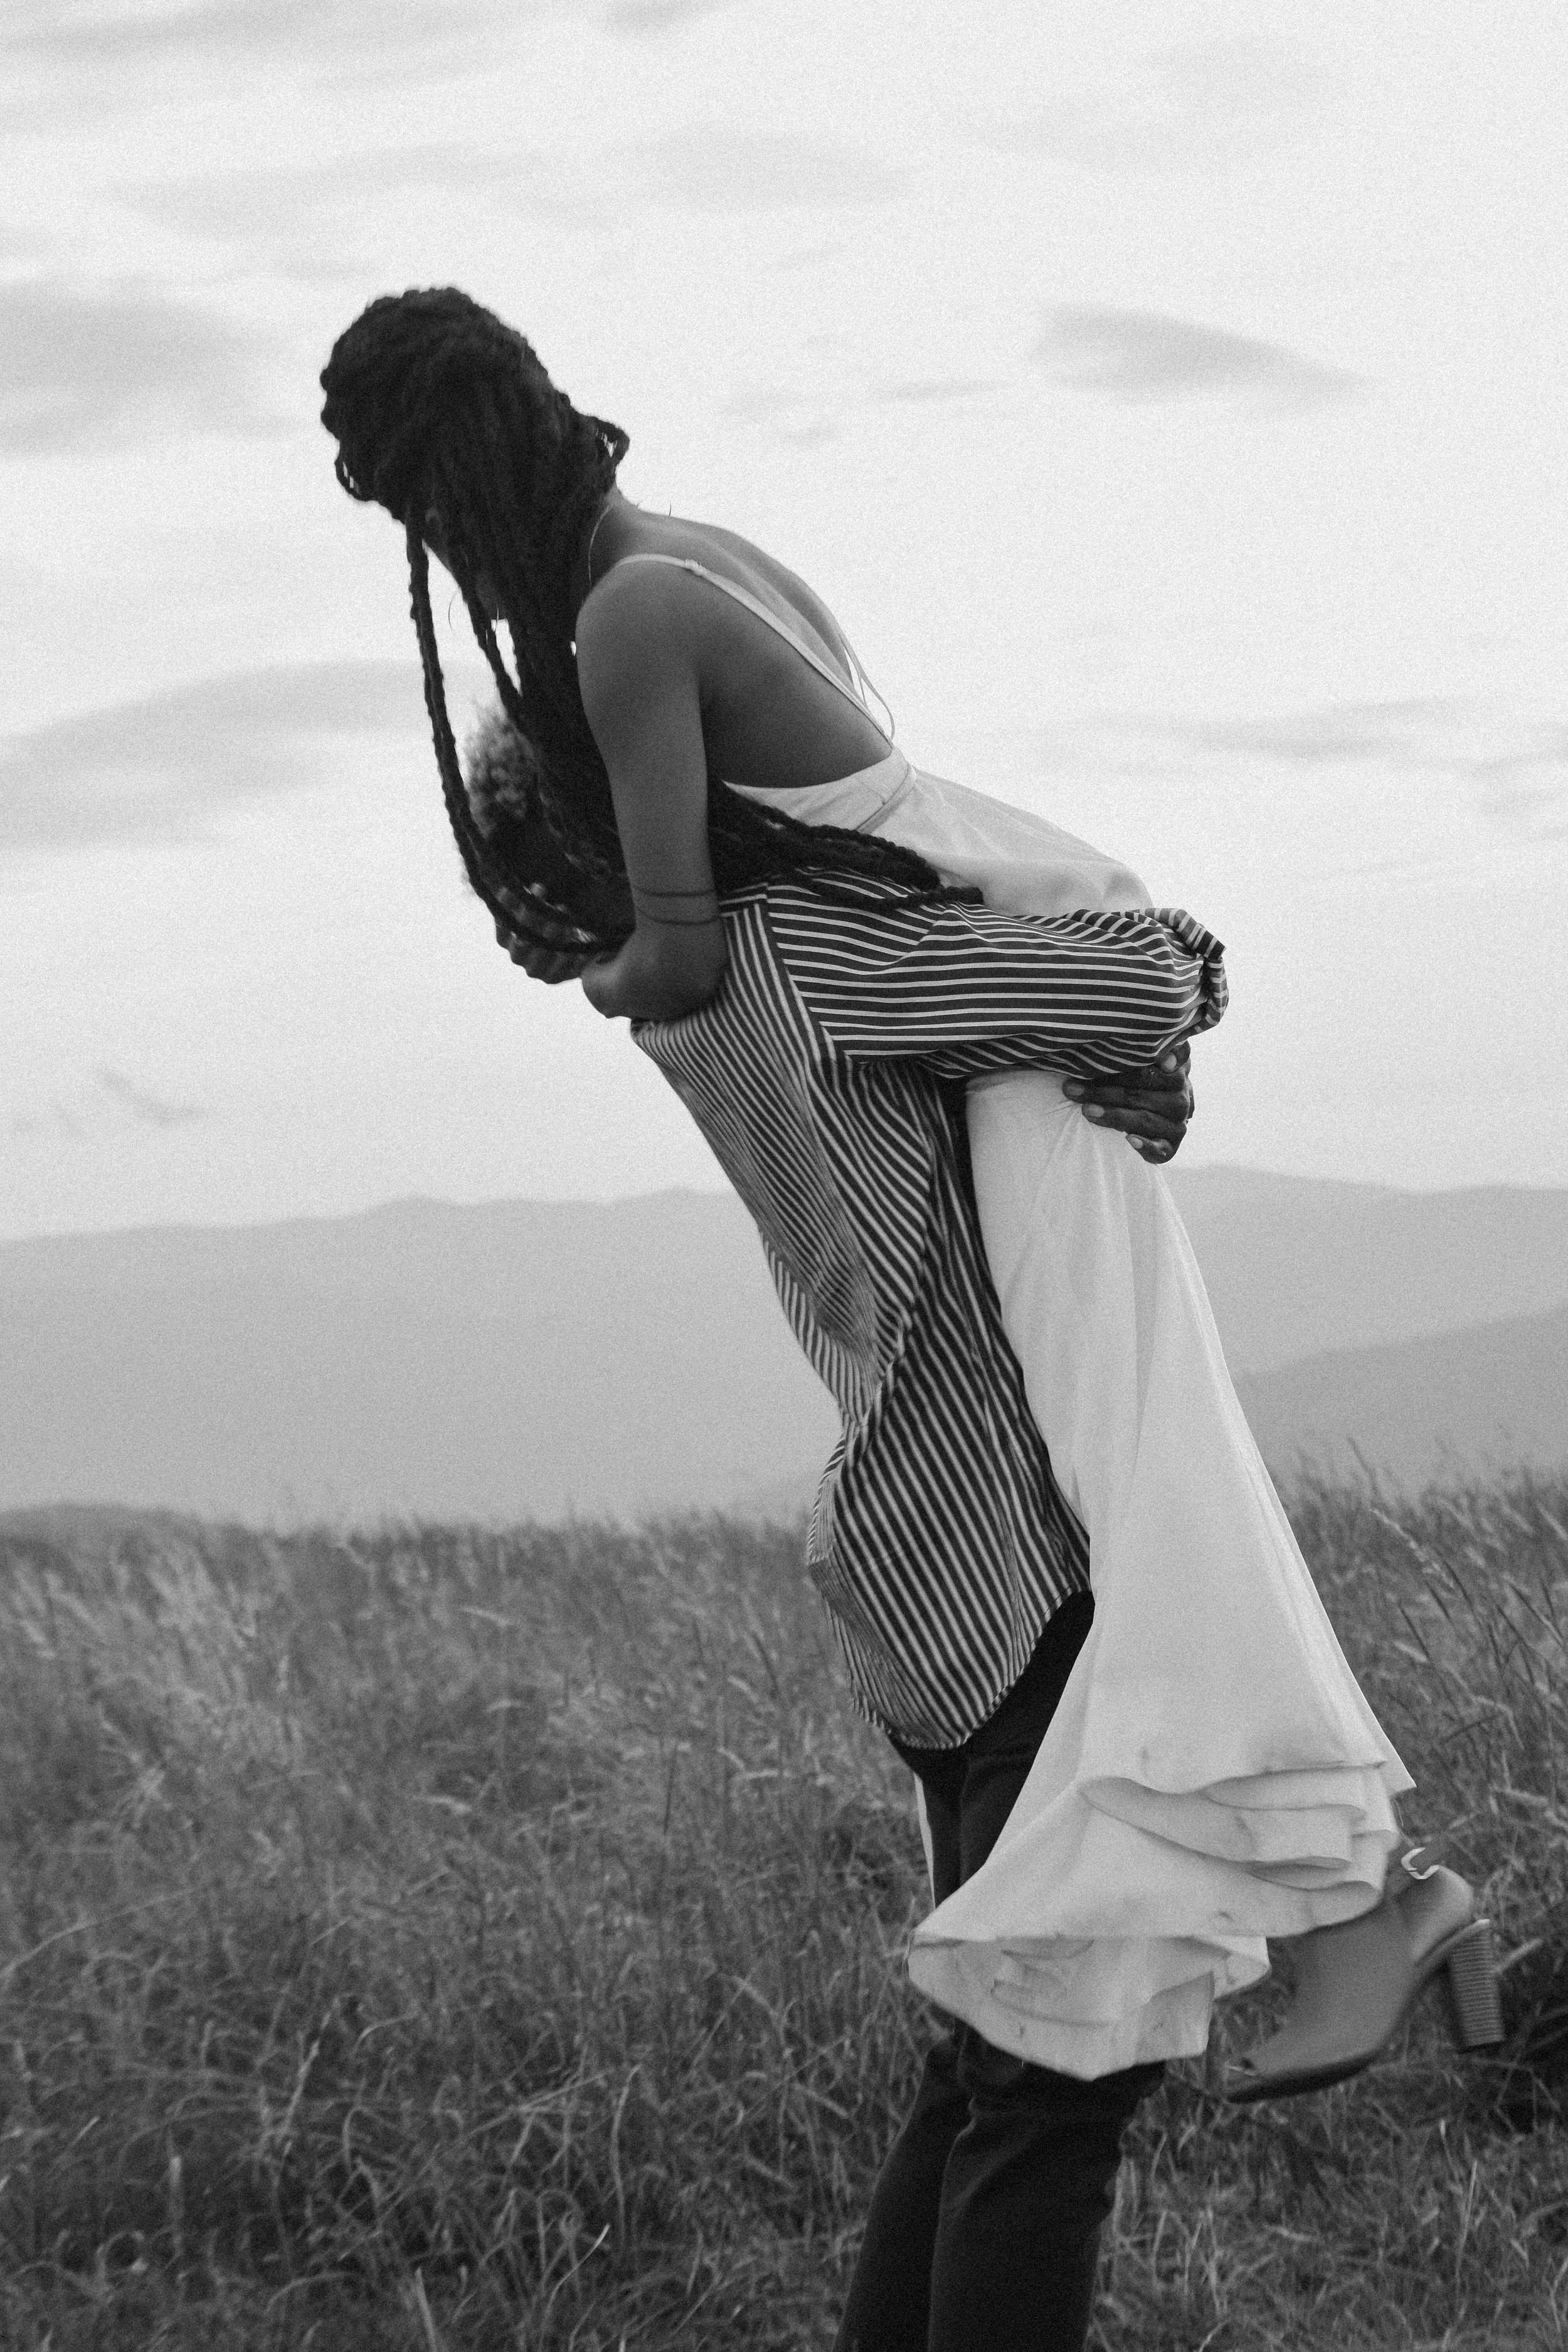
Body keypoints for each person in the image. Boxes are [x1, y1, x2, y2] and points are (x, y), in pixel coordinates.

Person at [320, 289, 1503, 2349]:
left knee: (998, 2064)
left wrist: (1118, 1031)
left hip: (921, 1551)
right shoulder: (810, 971)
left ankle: (1379, 1916)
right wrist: (1156, 1028)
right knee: (1055, 2090)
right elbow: (1137, 966)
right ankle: (1379, 1917)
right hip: (1010, 1537)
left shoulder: (723, 976)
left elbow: (987, 972)